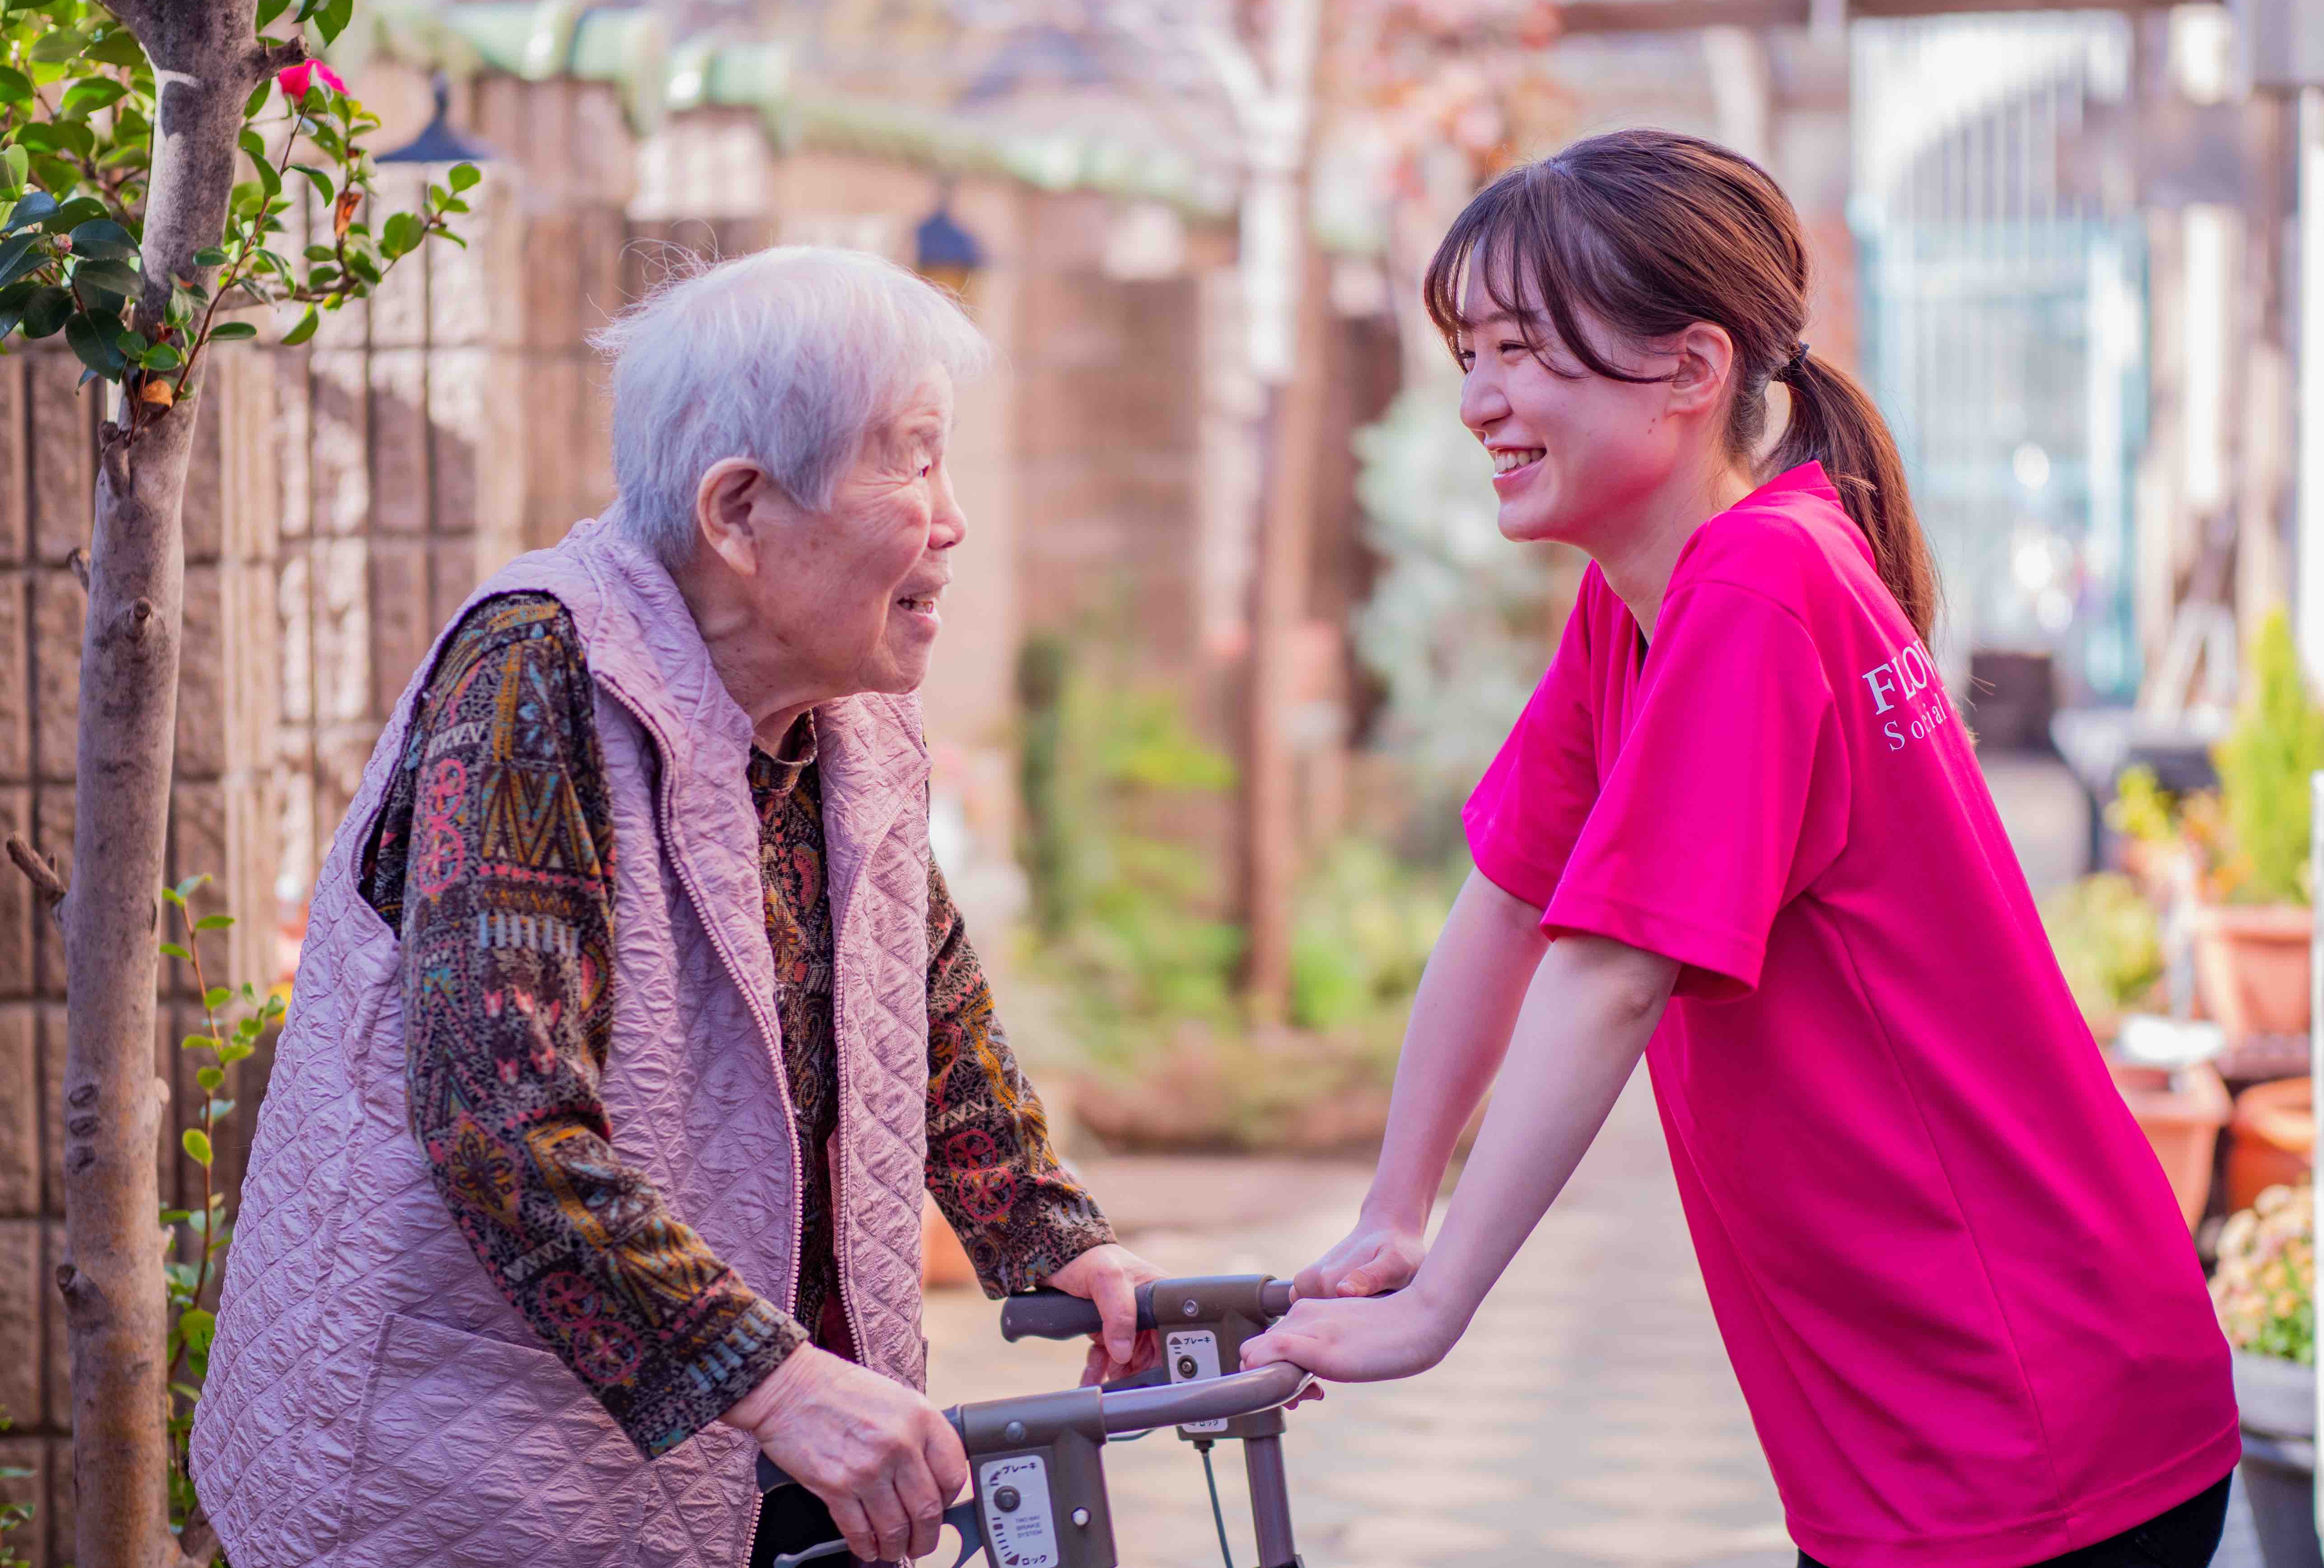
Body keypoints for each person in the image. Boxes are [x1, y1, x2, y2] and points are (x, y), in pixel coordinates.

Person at [1242, 131, 2238, 1568]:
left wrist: (1445, 1292)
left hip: (2020, 1418)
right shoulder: (1647, 604)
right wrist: (1396, 1211)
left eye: (1517, 349)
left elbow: (1607, 975)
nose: (1475, 400)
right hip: (1932, 1420)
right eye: (1468, 351)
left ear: (1694, 368)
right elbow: (1508, 905)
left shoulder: (1758, 588)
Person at [196, 247, 1158, 1568]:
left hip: (758, 1442)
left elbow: (918, 1001)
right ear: (740, 512)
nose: (952, 518)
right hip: (475, 1473)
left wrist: (1050, 1236)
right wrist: (778, 1379)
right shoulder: (535, 677)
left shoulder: (851, 709)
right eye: (913, 459)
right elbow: (501, 1116)